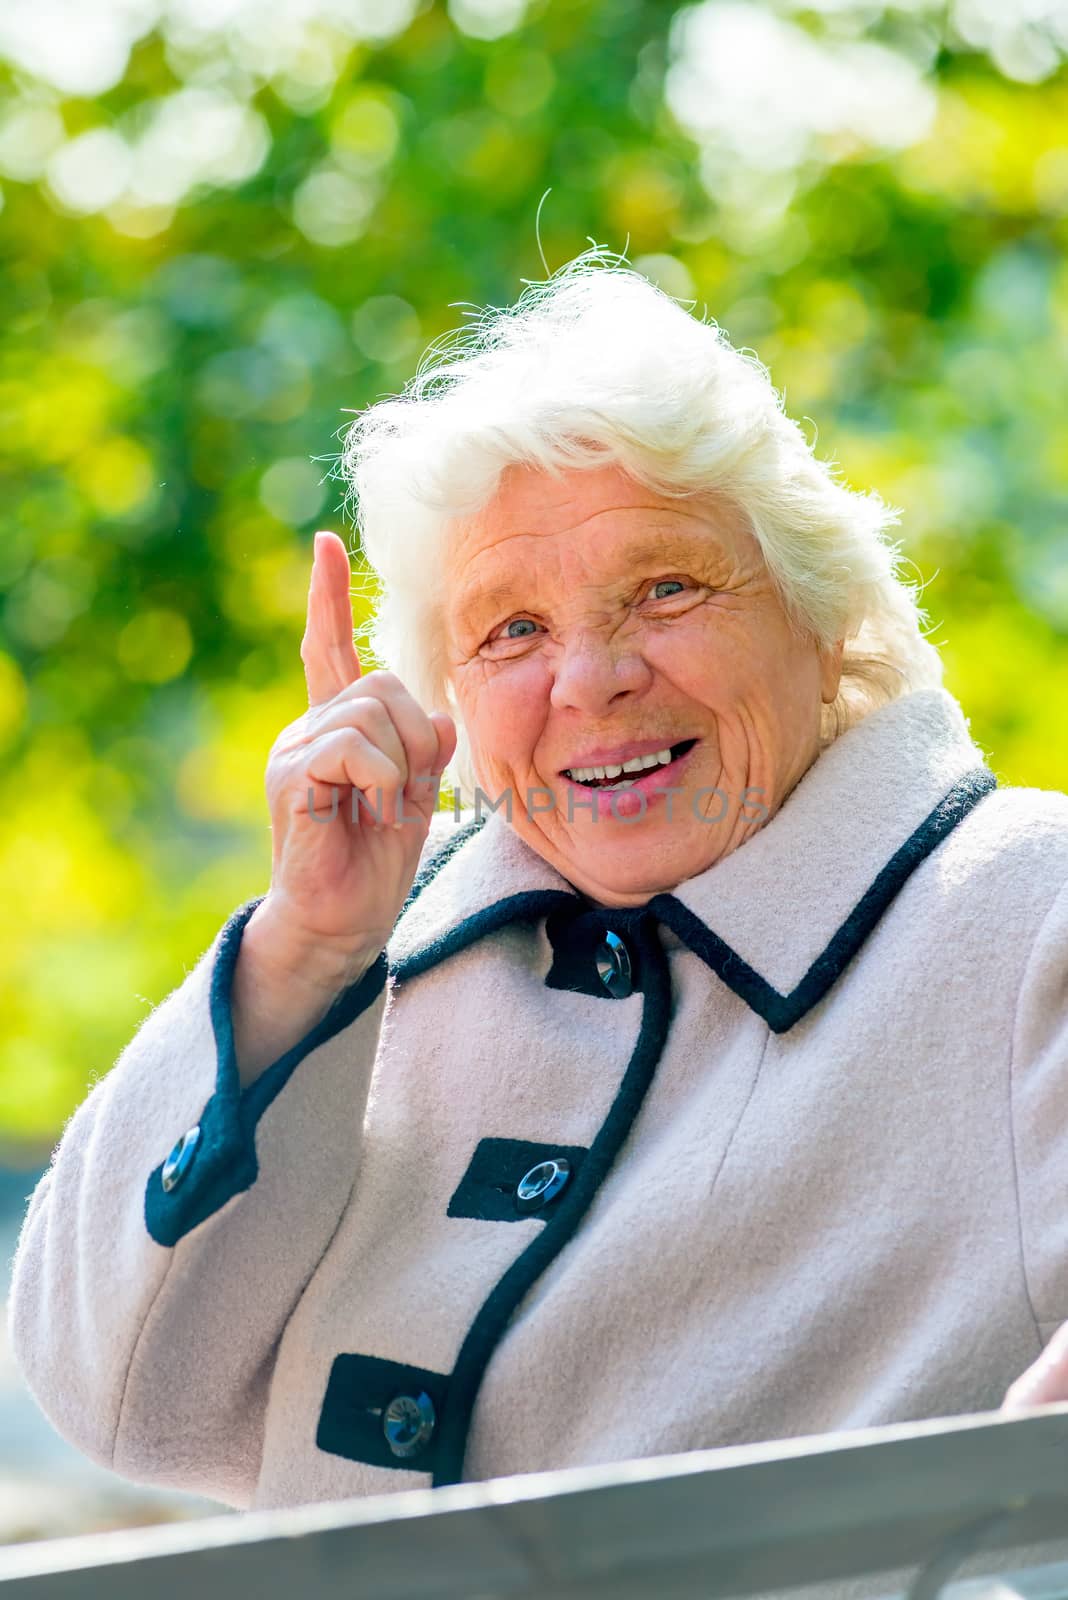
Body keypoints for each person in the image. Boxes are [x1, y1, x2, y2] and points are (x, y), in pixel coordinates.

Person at [8, 254, 1068, 1515]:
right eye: (510, 629)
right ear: (443, 701)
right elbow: (124, 1403)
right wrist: (303, 952)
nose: (590, 678)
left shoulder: (1025, 913)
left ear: (822, 613)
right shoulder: (386, 965)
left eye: (666, 586)